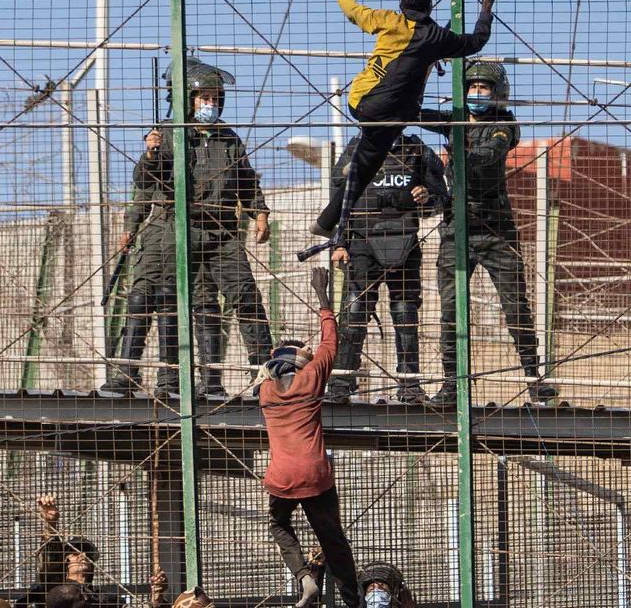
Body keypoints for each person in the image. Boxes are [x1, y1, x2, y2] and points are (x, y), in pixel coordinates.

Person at [101, 57, 274, 399]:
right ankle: (130, 376)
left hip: (220, 232)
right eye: (202, 97)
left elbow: (246, 182)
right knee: (152, 297)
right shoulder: (169, 135)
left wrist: (260, 214)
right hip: (173, 229)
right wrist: (150, 156)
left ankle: (253, 377)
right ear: (188, 100)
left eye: (214, 97)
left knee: (244, 297)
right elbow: (145, 184)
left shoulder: (228, 139)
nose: (209, 104)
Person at [305, 0, 499, 256]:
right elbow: (477, 41)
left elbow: (353, 11)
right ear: (431, 5)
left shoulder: (387, 20)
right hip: (397, 114)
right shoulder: (438, 37)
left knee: (369, 159)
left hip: (361, 103)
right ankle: (358, 166)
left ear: (401, 2)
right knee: (374, 153)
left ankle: (326, 220)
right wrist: (486, 5)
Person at [418, 60, 557, 406]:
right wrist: (419, 73)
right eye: (472, 88)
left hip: (496, 228)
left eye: (484, 89)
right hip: (456, 227)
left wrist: (461, 155)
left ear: (497, 94)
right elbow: (416, 114)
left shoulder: (503, 124)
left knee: (515, 306)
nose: (477, 94)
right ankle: (451, 384)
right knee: (450, 309)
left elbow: (490, 153)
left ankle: (533, 377)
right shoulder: (453, 120)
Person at [258, 267, 359, 608]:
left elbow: (271, 364)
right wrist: (322, 295)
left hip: (282, 477)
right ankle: (352, 600)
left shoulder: (266, 392)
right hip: (316, 475)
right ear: (302, 362)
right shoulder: (313, 378)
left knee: (279, 525)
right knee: (333, 540)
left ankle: (303, 578)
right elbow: (330, 341)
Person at [327, 133, 448, 403]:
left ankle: (409, 385)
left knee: (405, 314)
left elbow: (441, 198)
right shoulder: (357, 147)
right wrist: (340, 242)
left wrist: (426, 197)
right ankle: (341, 383)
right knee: (354, 314)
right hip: (361, 244)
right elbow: (340, 198)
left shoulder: (416, 150)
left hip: (404, 244)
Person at [23, 494, 167, 608]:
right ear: (65, 561)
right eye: (75, 553)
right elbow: (50, 559)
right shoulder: (53, 590)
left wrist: (157, 598)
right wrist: (50, 525)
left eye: (87, 553)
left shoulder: (105, 600)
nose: (83, 556)